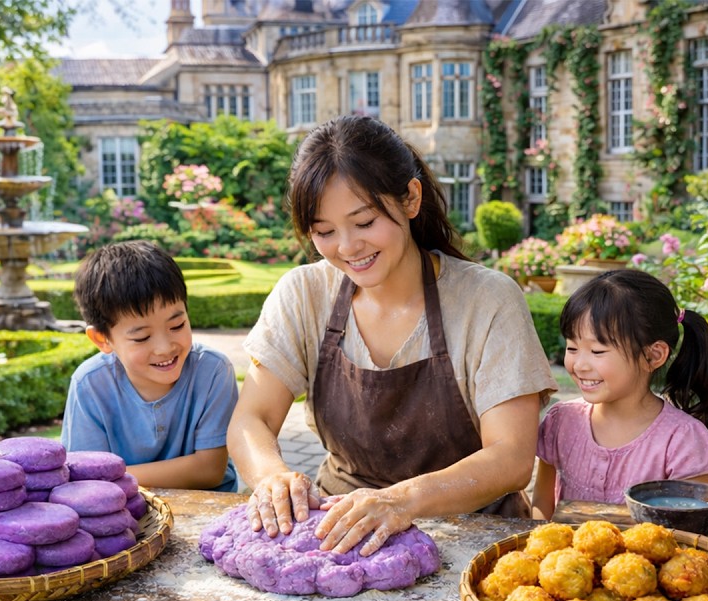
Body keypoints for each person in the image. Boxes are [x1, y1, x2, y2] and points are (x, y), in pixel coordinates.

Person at [228, 115, 557, 557]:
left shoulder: (488, 299)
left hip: (476, 541)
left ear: (411, 198)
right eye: (324, 231)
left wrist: (401, 501)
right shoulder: (304, 293)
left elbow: (513, 457)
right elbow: (252, 420)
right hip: (341, 534)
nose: (347, 247)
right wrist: (271, 477)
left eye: (364, 222)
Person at [532, 268, 708, 520]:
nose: (579, 365)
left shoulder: (682, 441)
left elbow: (691, 535)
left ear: (653, 355)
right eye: (572, 347)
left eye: (597, 351)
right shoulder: (561, 421)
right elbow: (542, 505)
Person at [62, 240, 239, 492]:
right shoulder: (90, 384)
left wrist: (113, 477)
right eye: (142, 337)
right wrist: (103, 479)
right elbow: (86, 476)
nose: (165, 348)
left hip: (207, 509)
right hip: (125, 514)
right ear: (102, 339)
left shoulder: (212, 371)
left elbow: (210, 470)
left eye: (177, 326)